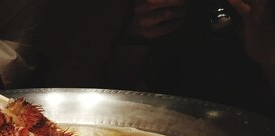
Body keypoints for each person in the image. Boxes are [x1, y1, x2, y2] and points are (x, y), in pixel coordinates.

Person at [100, 0, 275, 117]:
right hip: (167, 122)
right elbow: (113, 89)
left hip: (255, 130)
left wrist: (267, 54)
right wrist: (139, 30)